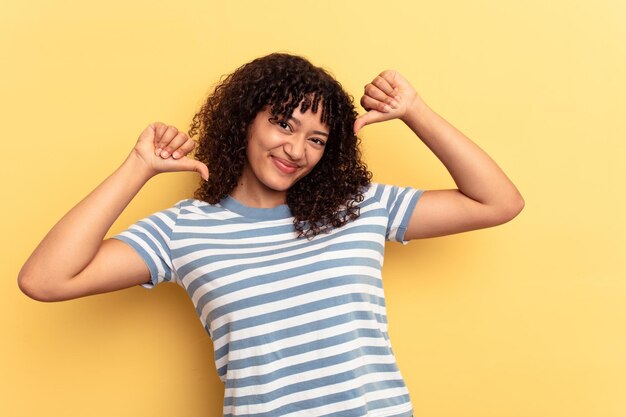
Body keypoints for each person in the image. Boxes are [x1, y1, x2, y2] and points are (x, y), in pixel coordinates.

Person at [18, 53, 524, 416]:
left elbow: (498, 202)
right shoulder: (184, 230)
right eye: (284, 124)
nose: (297, 149)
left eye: (317, 139)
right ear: (245, 121)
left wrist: (415, 111)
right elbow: (45, 280)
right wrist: (137, 168)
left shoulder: (359, 208)